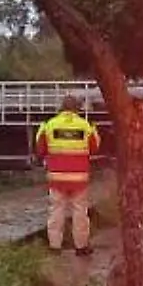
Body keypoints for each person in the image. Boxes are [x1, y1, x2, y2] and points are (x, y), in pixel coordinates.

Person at [34, 94, 101, 256]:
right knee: (80, 212)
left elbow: (39, 149)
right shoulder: (85, 126)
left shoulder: (49, 125)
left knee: (56, 211)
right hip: (79, 179)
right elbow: (95, 147)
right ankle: (81, 247)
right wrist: (94, 129)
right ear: (78, 109)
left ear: (61, 108)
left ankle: (55, 247)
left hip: (56, 178)